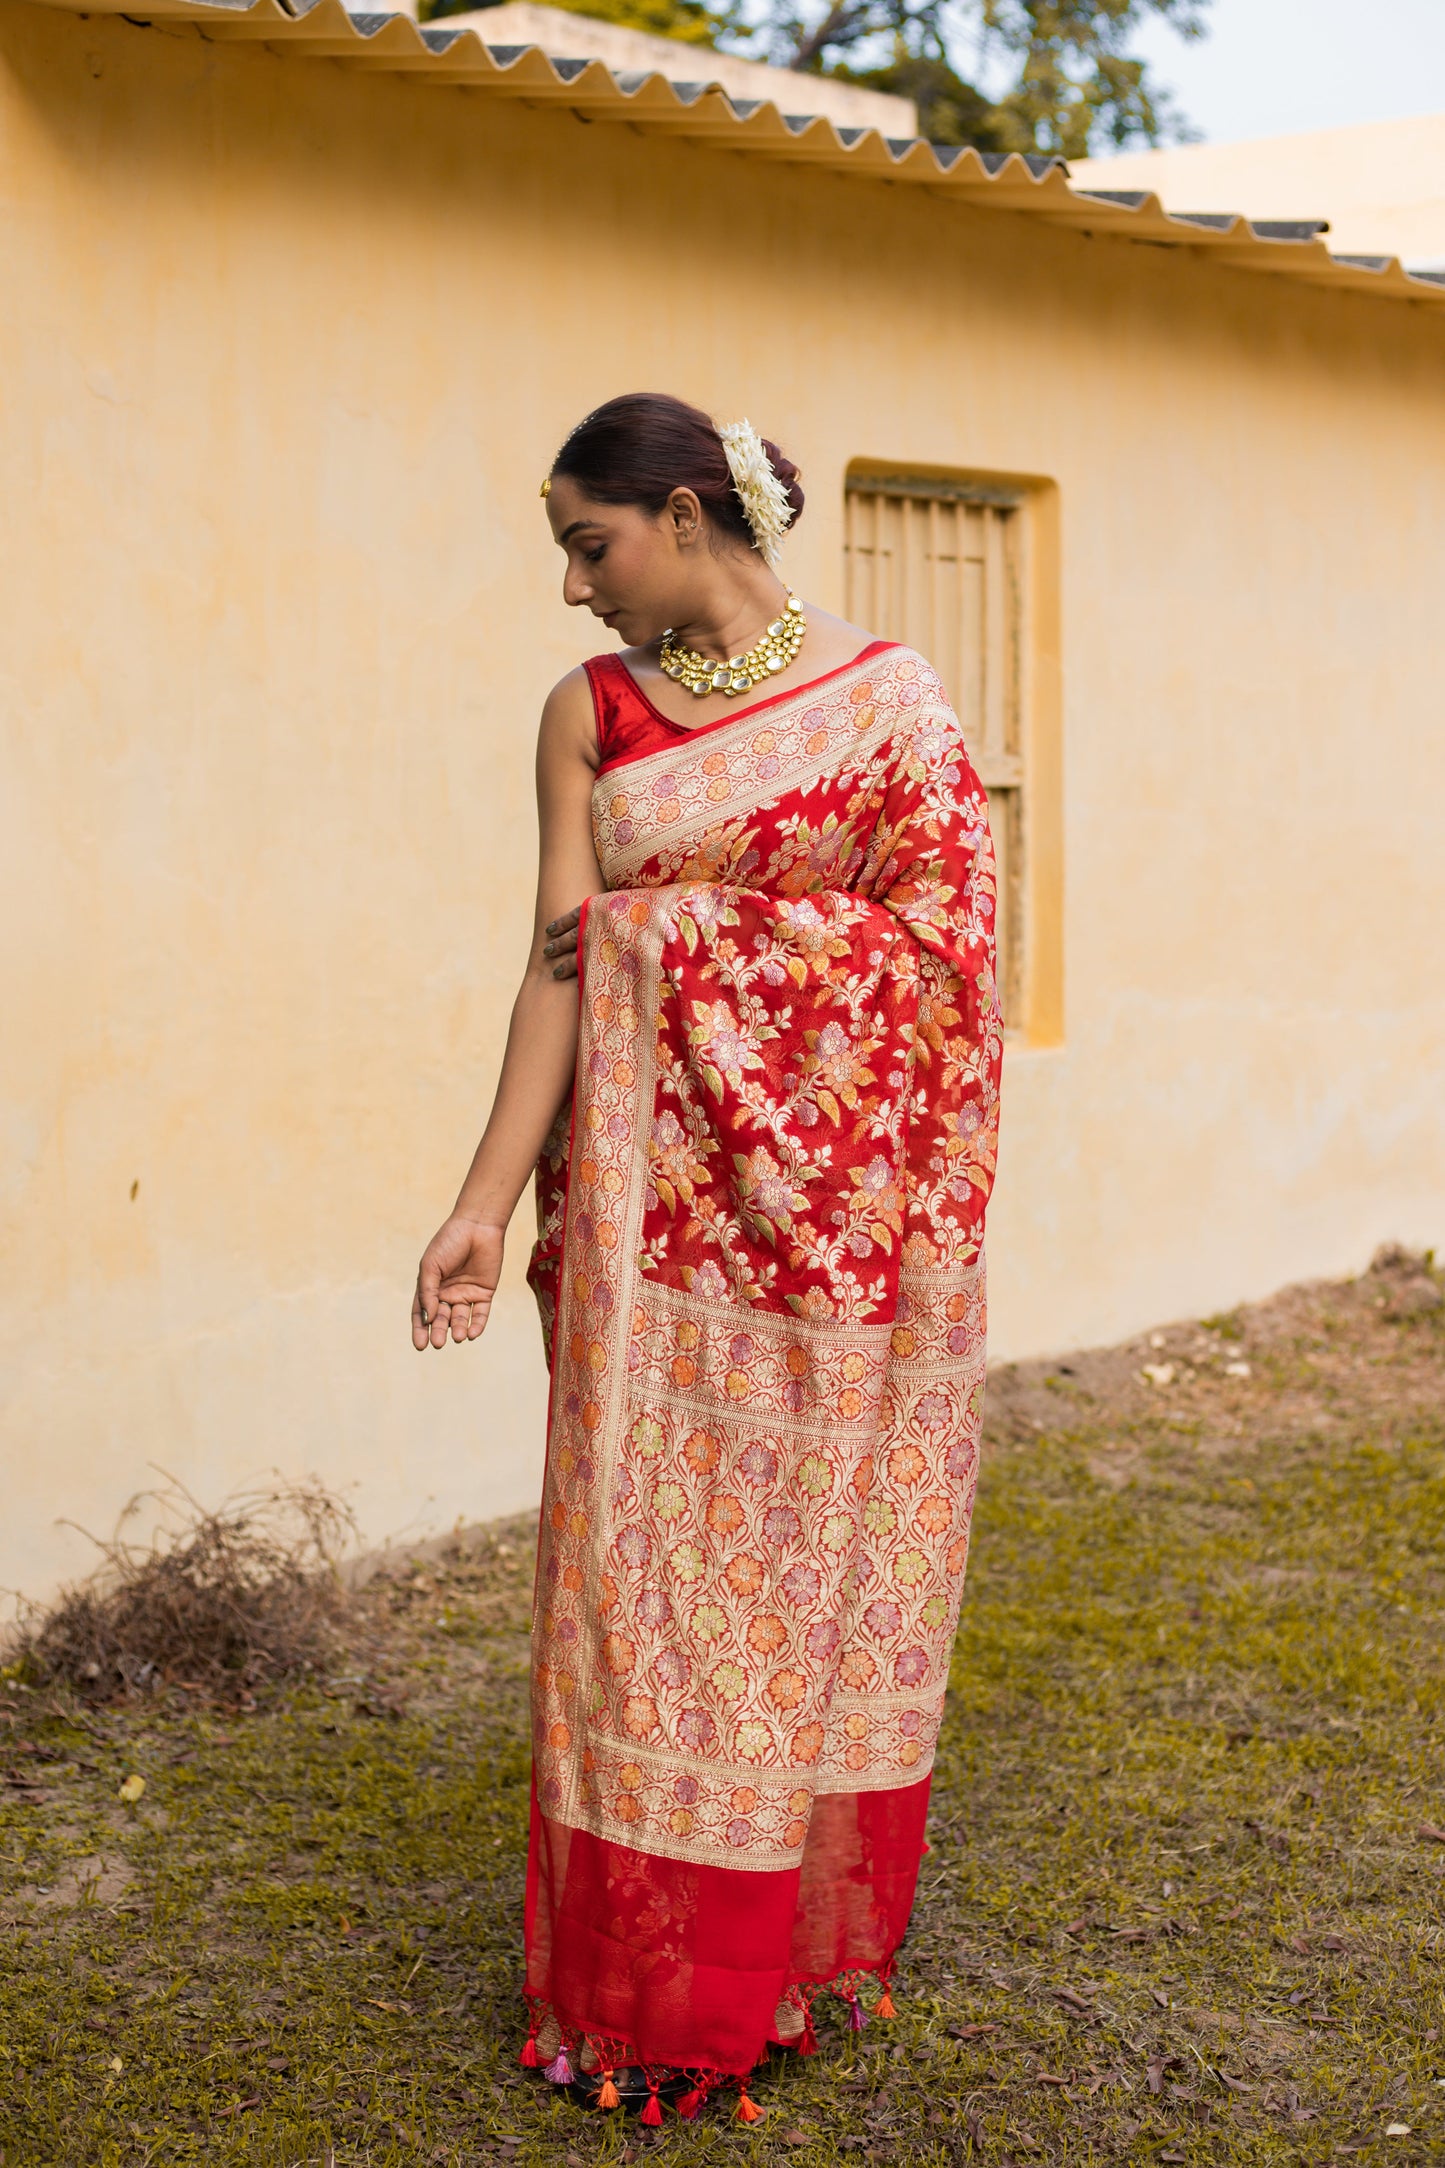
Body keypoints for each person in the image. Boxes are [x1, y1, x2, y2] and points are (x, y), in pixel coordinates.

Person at [412, 392, 1002, 2122]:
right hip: (632, 1237)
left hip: (828, 1260)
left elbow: (949, 958)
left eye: (589, 547)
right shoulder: (583, 717)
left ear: (682, 514)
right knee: (637, 1608)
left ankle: (781, 1965)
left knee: (799, 1593)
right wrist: (480, 1199)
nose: (576, 589)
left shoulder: (889, 702)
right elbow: (559, 962)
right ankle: (627, 1996)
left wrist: (671, 936)